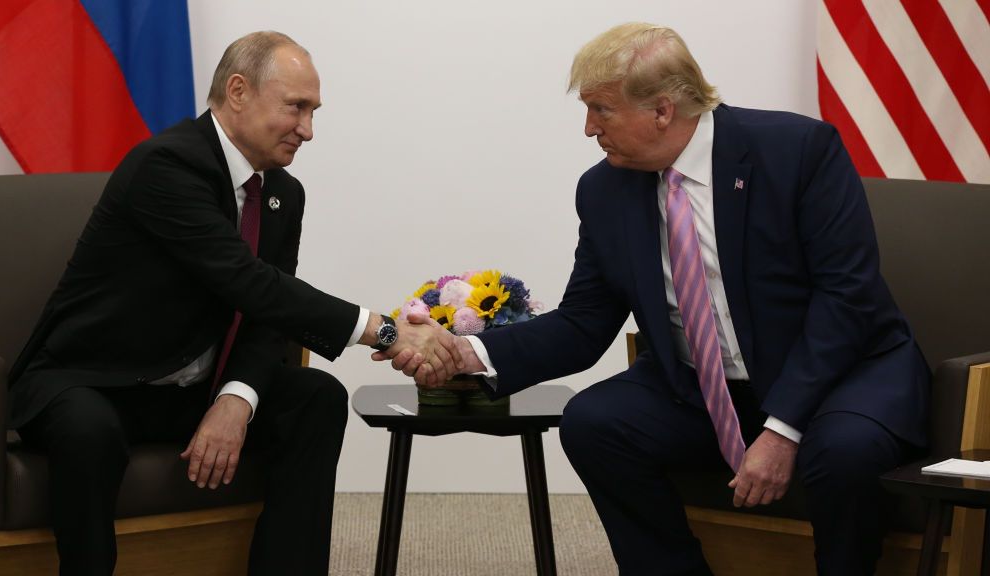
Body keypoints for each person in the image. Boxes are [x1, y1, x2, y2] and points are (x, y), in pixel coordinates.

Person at [382, 23, 929, 575]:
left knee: (843, 452)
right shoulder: (604, 189)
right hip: (706, 391)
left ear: (663, 110)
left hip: (839, 377)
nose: (589, 128)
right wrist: (465, 352)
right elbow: (584, 322)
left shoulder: (797, 151)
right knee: (594, 424)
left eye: (601, 110)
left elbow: (846, 297)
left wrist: (783, 428)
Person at [8, 31, 458, 576]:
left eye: (313, 112)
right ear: (239, 92)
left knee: (315, 398)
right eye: (296, 107)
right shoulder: (166, 166)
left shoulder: (282, 193)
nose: (308, 130)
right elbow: (250, 283)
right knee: (89, 431)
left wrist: (236, 398)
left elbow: (269, 317)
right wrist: (386, 331)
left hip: (187, 389)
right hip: (92, 379)